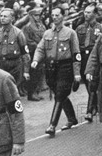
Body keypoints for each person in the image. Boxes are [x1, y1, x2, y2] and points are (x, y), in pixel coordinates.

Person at [31, 8, 81, 136]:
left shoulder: (70, 33)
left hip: (65, 67)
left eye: (57, 15)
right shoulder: (47, 33)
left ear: (63, 16)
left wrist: (76, 73)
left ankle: (52, 125)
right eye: (52, 15)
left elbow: (76, 54)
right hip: (51, 68)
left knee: (59, 94)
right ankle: (72, 119)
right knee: (60, 94)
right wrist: (36, 60)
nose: (55, 17)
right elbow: (40, 49)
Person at [76, 5, 102, 122]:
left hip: (94, 57)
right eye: (85, 12)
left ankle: (89, 111)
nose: (86, 15)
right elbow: (76, 44)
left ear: (94, 14)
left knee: (92, 82)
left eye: (89, 13)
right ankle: (96, 106)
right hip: (83, 56)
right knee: (87, 81)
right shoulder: (79, 28)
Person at [0, 9, 31, 97]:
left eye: (5, 16)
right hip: (0, 66)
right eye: (1, 16)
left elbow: (25, 54)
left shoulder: (18, 33)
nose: (2, 18)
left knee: (12, 92)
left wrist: (26, 71)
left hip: (14, 66)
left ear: (12, 19)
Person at [21, 7, 46, 101]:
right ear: (31, 16)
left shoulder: (41, 26)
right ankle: (31, 94)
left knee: (39, 73)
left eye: (39, 15)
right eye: (35, 15)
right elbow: (27, 40)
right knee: (33, 73)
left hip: (41, 52)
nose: (38, 17)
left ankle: (36, 92)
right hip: (32, 52)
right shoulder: (27, 27)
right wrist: (37, 45)